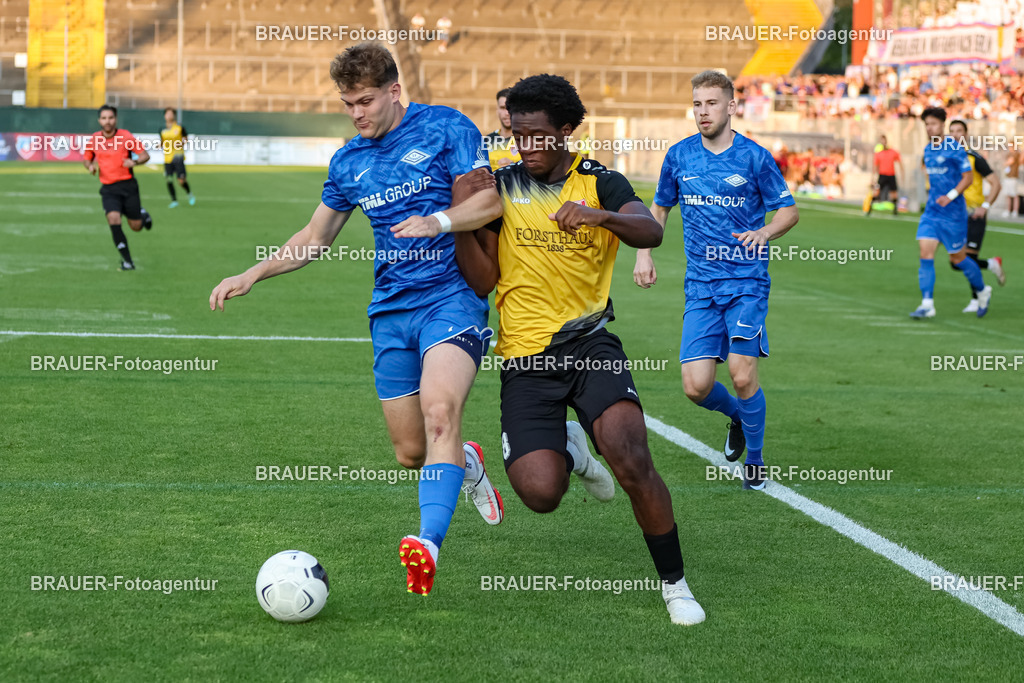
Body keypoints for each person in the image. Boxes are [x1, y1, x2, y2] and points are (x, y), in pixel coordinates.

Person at [208, 42, 505, 596]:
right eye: (347, 104)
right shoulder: (349, 161)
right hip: (390, 312)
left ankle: (427, 546)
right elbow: (315, 238)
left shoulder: (447, 127)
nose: (357, 113)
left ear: (394, 90)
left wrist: (438, 220)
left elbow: (489, 204)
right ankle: (465, 460)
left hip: (451, 299)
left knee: (441, 410)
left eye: (365, 100)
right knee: (412, 451)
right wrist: (251, 274)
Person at [451, 73, 706, 626]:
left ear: (566, 131)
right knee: (541, 493)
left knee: (633, 456)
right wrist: (459, 221)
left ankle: (676, 585)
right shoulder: (502, 187)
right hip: (524, 362)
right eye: (518, 135)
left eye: (539, 135)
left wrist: (600, 217)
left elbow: (650, 232)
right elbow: (481, 281)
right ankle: (572, 450)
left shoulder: (600, 181)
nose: (527, 146)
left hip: (591, 347)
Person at [633, 70, 798, 491]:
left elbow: (788, 211)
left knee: (743, 375)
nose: (702, 112)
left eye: (710, 103)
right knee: (696, 386)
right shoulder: (679, 156)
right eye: (697, 104)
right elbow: (660, 209)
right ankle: (739, 416)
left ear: (731, 107)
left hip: (746, 282)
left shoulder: (755, 157)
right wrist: (644, 252)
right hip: (701, 287)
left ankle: (756, 465)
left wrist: (764, 232)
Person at [909, 108, 991, 319]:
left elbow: (968, 178)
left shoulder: (954, 148)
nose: (930, 128)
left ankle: (982, 290)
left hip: (953, 214)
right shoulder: (928, 150)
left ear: (942, 125)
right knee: (925, 255)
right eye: (927, 124)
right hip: (932, 212)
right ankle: (927, 304)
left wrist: (951, 195)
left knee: (958, 259)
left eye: (934, 124)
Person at [82, 104, 154, 271]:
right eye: (104, 118)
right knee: (113, 219)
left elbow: (145, 155)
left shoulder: (126, 136)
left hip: (128, 187)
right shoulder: (94, 139)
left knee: (136, 227)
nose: (108, 121)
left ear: (116, 119)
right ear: (99, 120)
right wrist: (90, 166)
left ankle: (143, 215)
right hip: (108, 189)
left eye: (111, 118)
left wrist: (134, 161)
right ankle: (128, 261)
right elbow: (86, 159)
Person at [948, 119, 1004, 313]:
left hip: (974, 215)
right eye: (952, 131)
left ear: (966, 134)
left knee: (968, 259)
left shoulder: (974, 158)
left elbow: (996, 183)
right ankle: (991, 264)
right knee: (956, 262)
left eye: (959, 131)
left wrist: (986, 206)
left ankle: (977, 298)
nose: (956, 135)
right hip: (956, 217)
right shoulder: (948, 158)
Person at [160, 107, 196, 208]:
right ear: (164, 116)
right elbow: (163, 141)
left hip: (178, 157)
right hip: (167, 158)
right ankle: (174, 200)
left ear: (174, 115)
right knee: (169, 180)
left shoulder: (180, 128)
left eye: (171, 114)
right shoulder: (162, 129)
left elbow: (185, 139)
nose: (169, 116)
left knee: (181, 181)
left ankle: (189, 193)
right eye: (167, 114)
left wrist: (180, 143)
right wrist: (160, 145)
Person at [483, 88, 521, 170]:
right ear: (497, 110)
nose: (507, 113)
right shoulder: (486, 141)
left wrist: (514, 167)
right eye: (503, 108)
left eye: (510, 108)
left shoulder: (527, 142)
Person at [866, 134, 902, 216]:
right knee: (877, 192)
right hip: (882, 175)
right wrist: (872, 178)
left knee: (893, 193)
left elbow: (900, 162)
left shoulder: (893, 152)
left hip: (891, 175)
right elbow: (875, 166)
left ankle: (895, 210)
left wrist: (902, 174)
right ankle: (870, 209)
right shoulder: (879, 154)